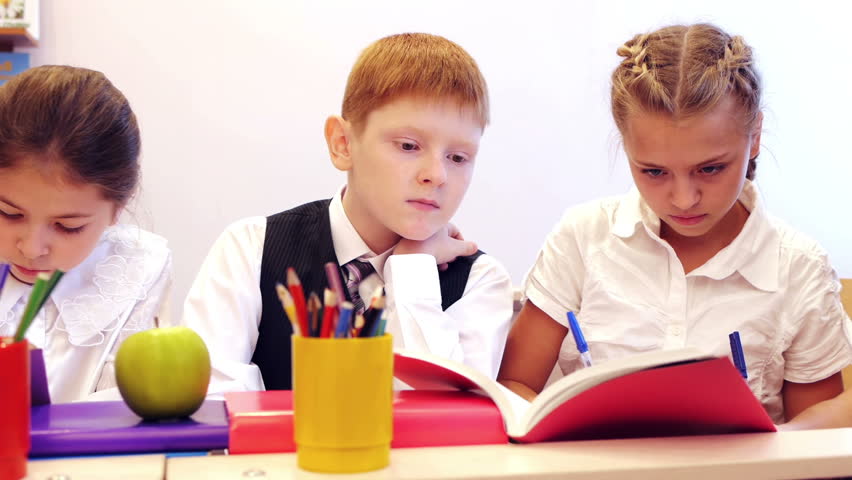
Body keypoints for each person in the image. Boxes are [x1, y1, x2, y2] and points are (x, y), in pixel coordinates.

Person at [497, 24, 852, 426]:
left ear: (754, 137)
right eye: (653, 171)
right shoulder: (582, 237)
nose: (683, 199)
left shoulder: (798, 267)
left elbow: (812, 444)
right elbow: (513, 384)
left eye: (711, 168)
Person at [183, 33, 513, 393]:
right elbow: (215, 404)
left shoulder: (480, 281)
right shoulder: (251, 250)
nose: (436, 174)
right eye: (408, 145)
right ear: (343, 144)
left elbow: (450, 424)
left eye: (458, 157)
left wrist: (411, 270)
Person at [0, 65, 172, 402]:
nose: (32, 248)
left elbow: (125, 410)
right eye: (8, 213)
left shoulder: (136, 265)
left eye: (68, 226)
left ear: (117, 208)